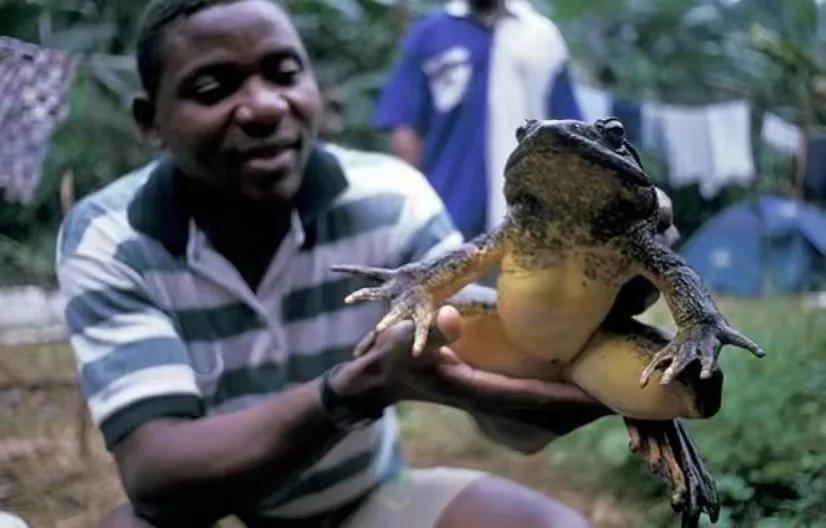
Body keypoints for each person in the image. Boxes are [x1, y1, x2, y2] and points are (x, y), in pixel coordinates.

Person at [55, 1, 612, 526]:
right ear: (150, 119)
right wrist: (353, 390)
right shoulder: (112, 238)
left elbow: (511, 418)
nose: (266, 106)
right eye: (212, 87)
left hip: (365, 503)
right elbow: (157, 477)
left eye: (284, 73)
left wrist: (580, 318)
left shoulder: (392, 202)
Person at [374, 0, 583, 241]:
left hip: (527, 218)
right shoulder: (430, 33)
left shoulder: (542, 37)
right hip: (446, 217)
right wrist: (415, 211)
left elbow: (568, 134)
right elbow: (405, 128)